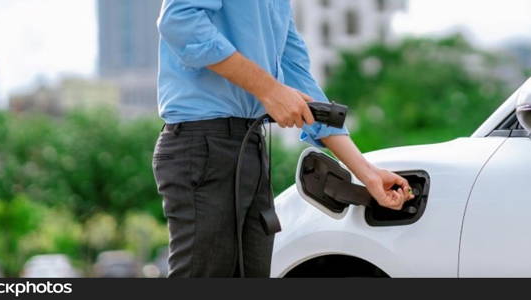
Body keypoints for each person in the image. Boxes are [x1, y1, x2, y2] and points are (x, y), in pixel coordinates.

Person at [152, 0, 414, 278]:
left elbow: (298, 78)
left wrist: (367, 173)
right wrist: (269, 89)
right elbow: (179, 21)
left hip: (250, 147)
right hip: (201, 145)